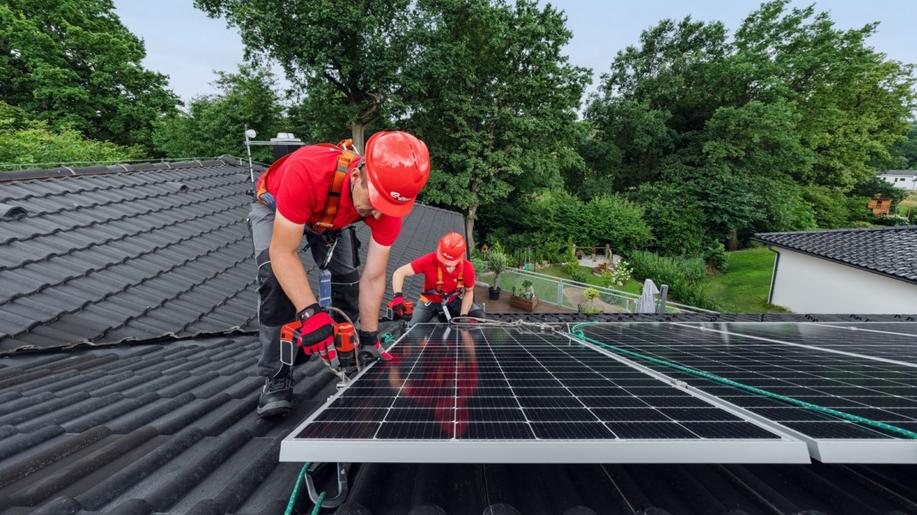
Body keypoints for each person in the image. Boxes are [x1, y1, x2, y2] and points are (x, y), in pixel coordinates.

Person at [251, 131, 430, 417]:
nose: (378, 215)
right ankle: (277, 375)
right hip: (276, 207)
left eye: (387, 208)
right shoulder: (307, 171)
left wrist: (370, 339)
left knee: (348, 283)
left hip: (331, 220)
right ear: (357, 175)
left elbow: (374, 275)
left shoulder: (388, 208)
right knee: (274, 280)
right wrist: (310, 313)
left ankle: (339, 351)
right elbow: (283, 253)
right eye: (374, 203)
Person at [389, 232, 483, 325]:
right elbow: (399, 272)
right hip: (429, 303)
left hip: (453, 302)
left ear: (460, 257)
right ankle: (440, 317)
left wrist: (463, 315)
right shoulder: (430, 260)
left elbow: (469, 291)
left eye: (450, 262)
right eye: (443, 259)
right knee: (411, 328)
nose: (445, 264)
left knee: (478, 316)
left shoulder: (467, 268)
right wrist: (397, 296)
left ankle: (446, 317)